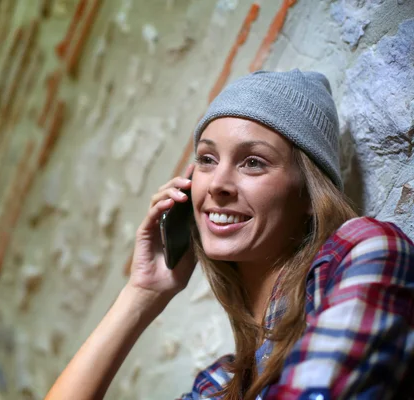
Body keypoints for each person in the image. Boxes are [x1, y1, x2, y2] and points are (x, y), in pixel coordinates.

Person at [44, 69, 414, 399]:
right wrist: (141, 295)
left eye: (253, 162)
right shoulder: (219, 385)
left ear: (308, 193)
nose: (218, 183)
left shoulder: (367, 250)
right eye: (207, 159)